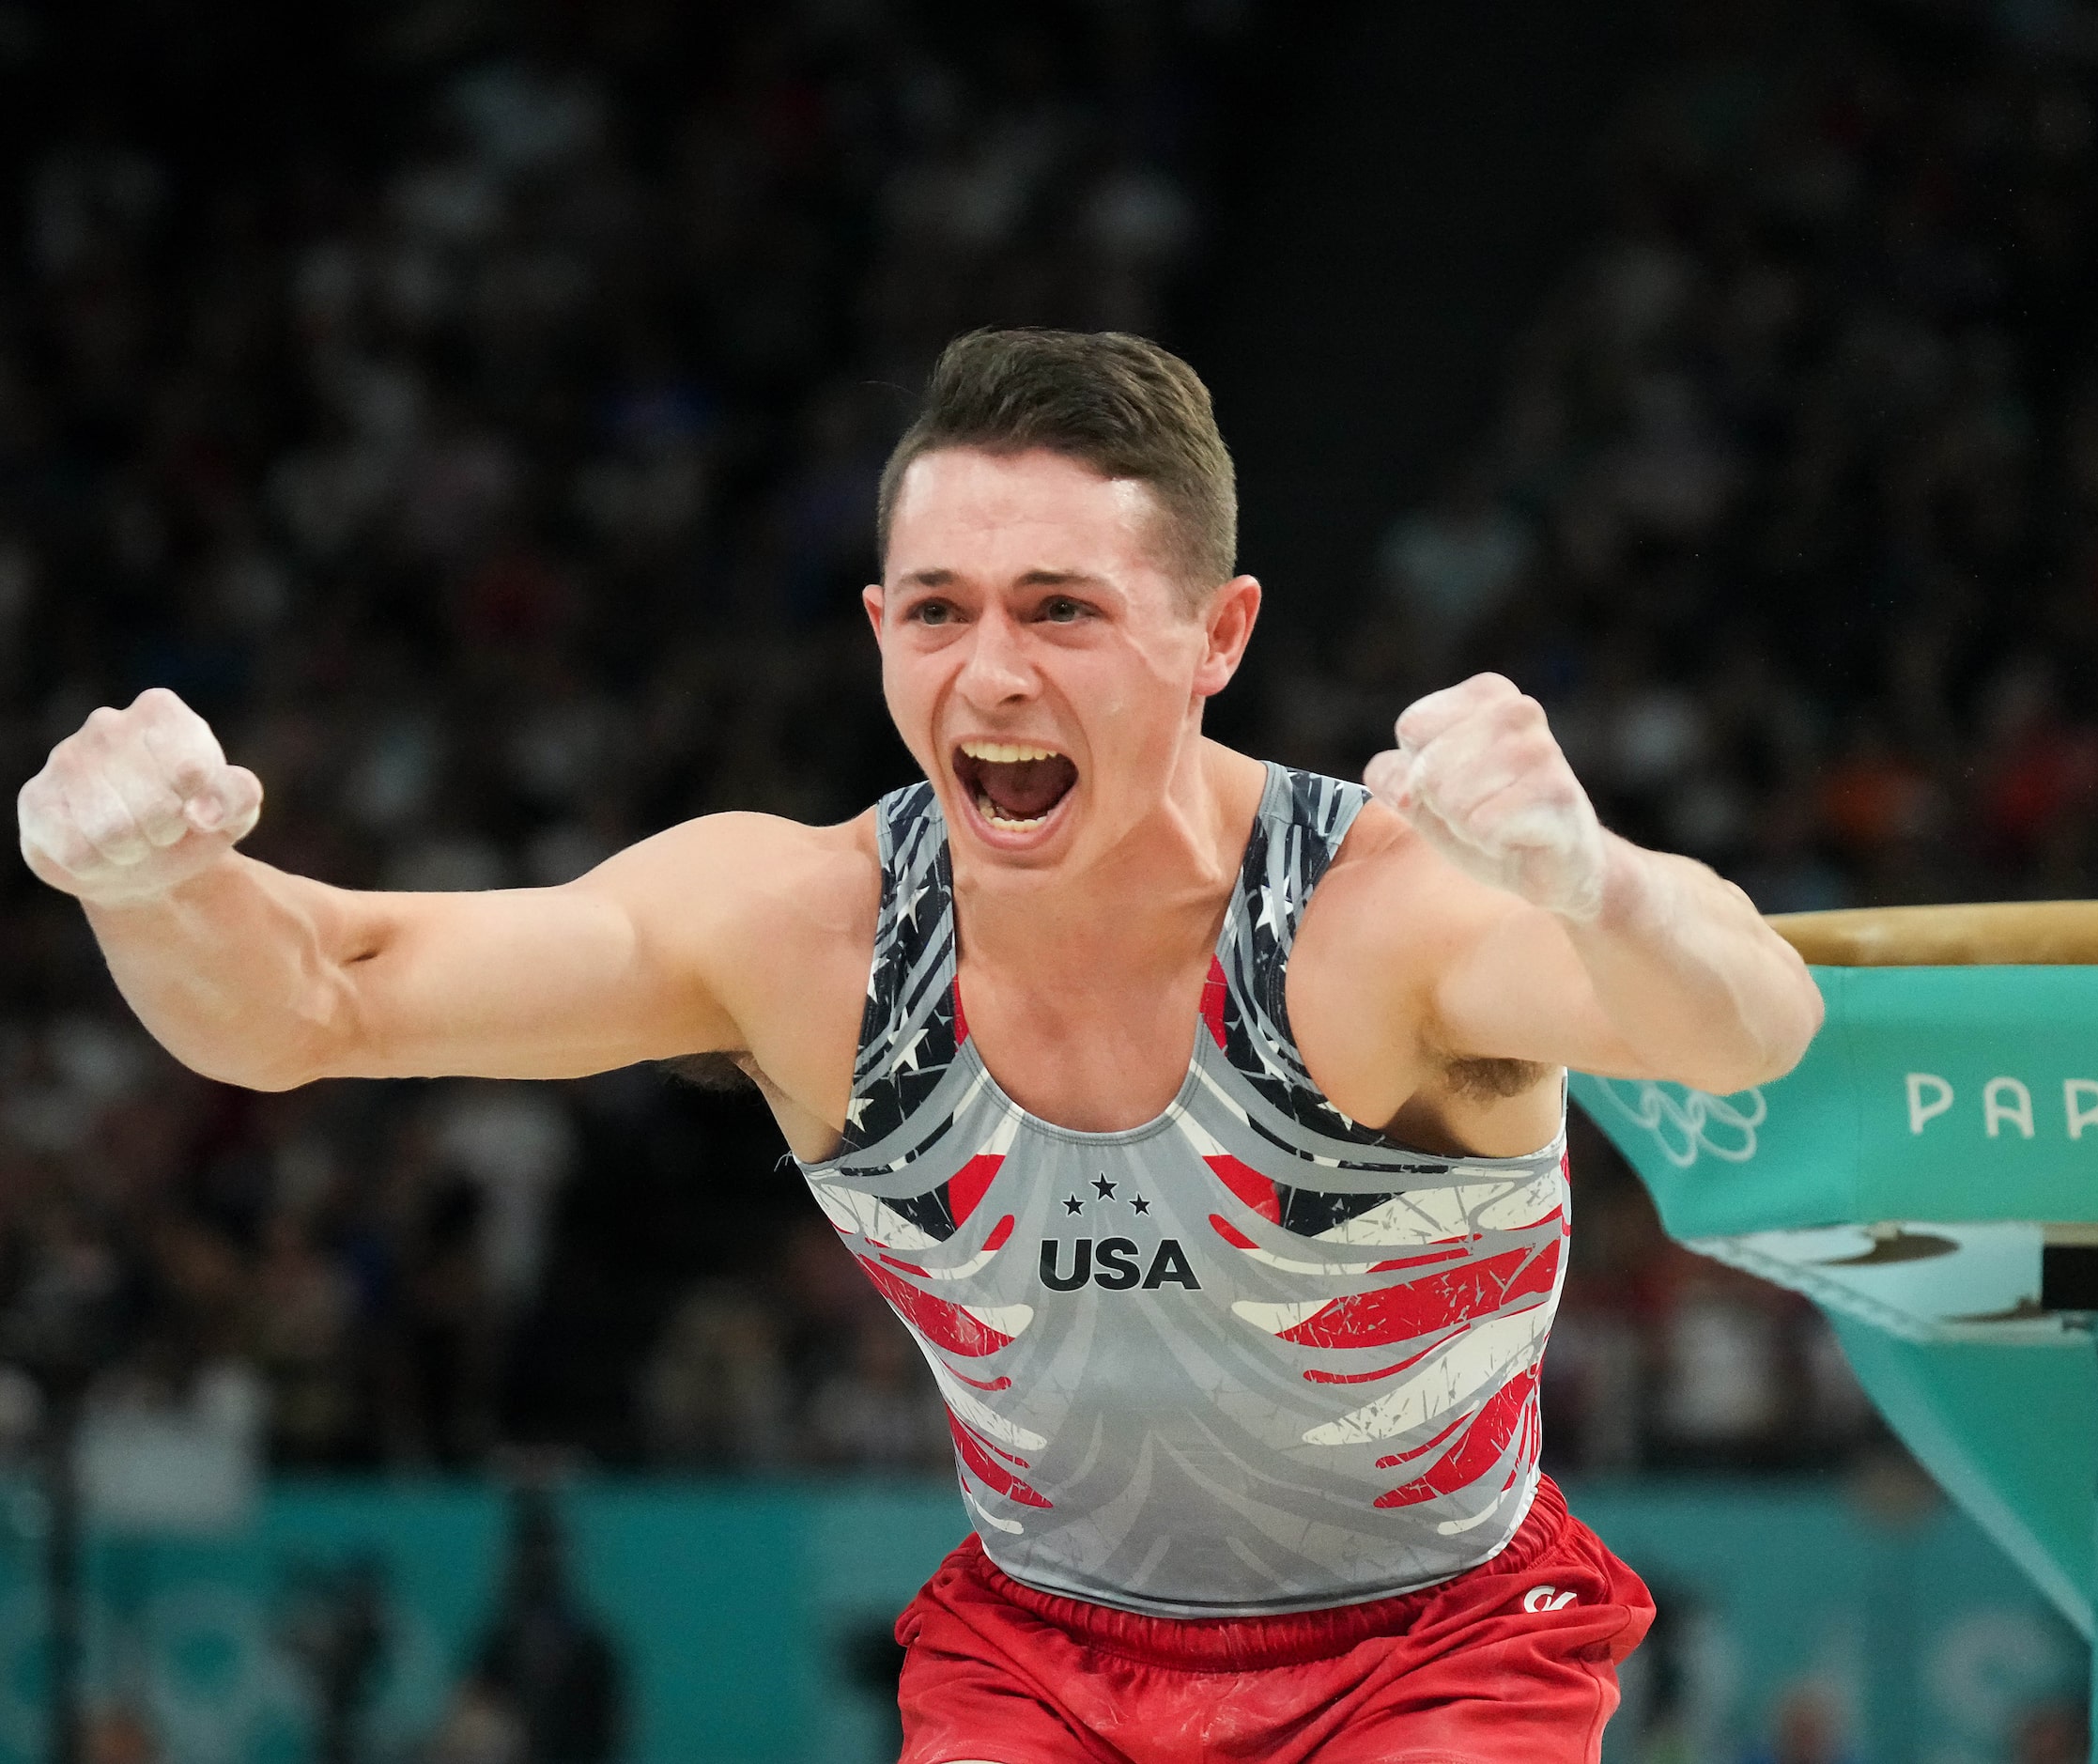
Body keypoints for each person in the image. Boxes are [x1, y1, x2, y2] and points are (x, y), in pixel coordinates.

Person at [18, 328, 1824, 1763]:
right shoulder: (797, 931)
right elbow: (314, 997)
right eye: (942, 609)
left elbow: (1745, 1022)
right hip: (1041, 1662)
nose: (994, 674)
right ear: (879, 628)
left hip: (1429, 1652)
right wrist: (153, 881)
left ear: (1217, 637)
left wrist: (1598, 881)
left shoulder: (1377, 917)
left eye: (1061, 608)